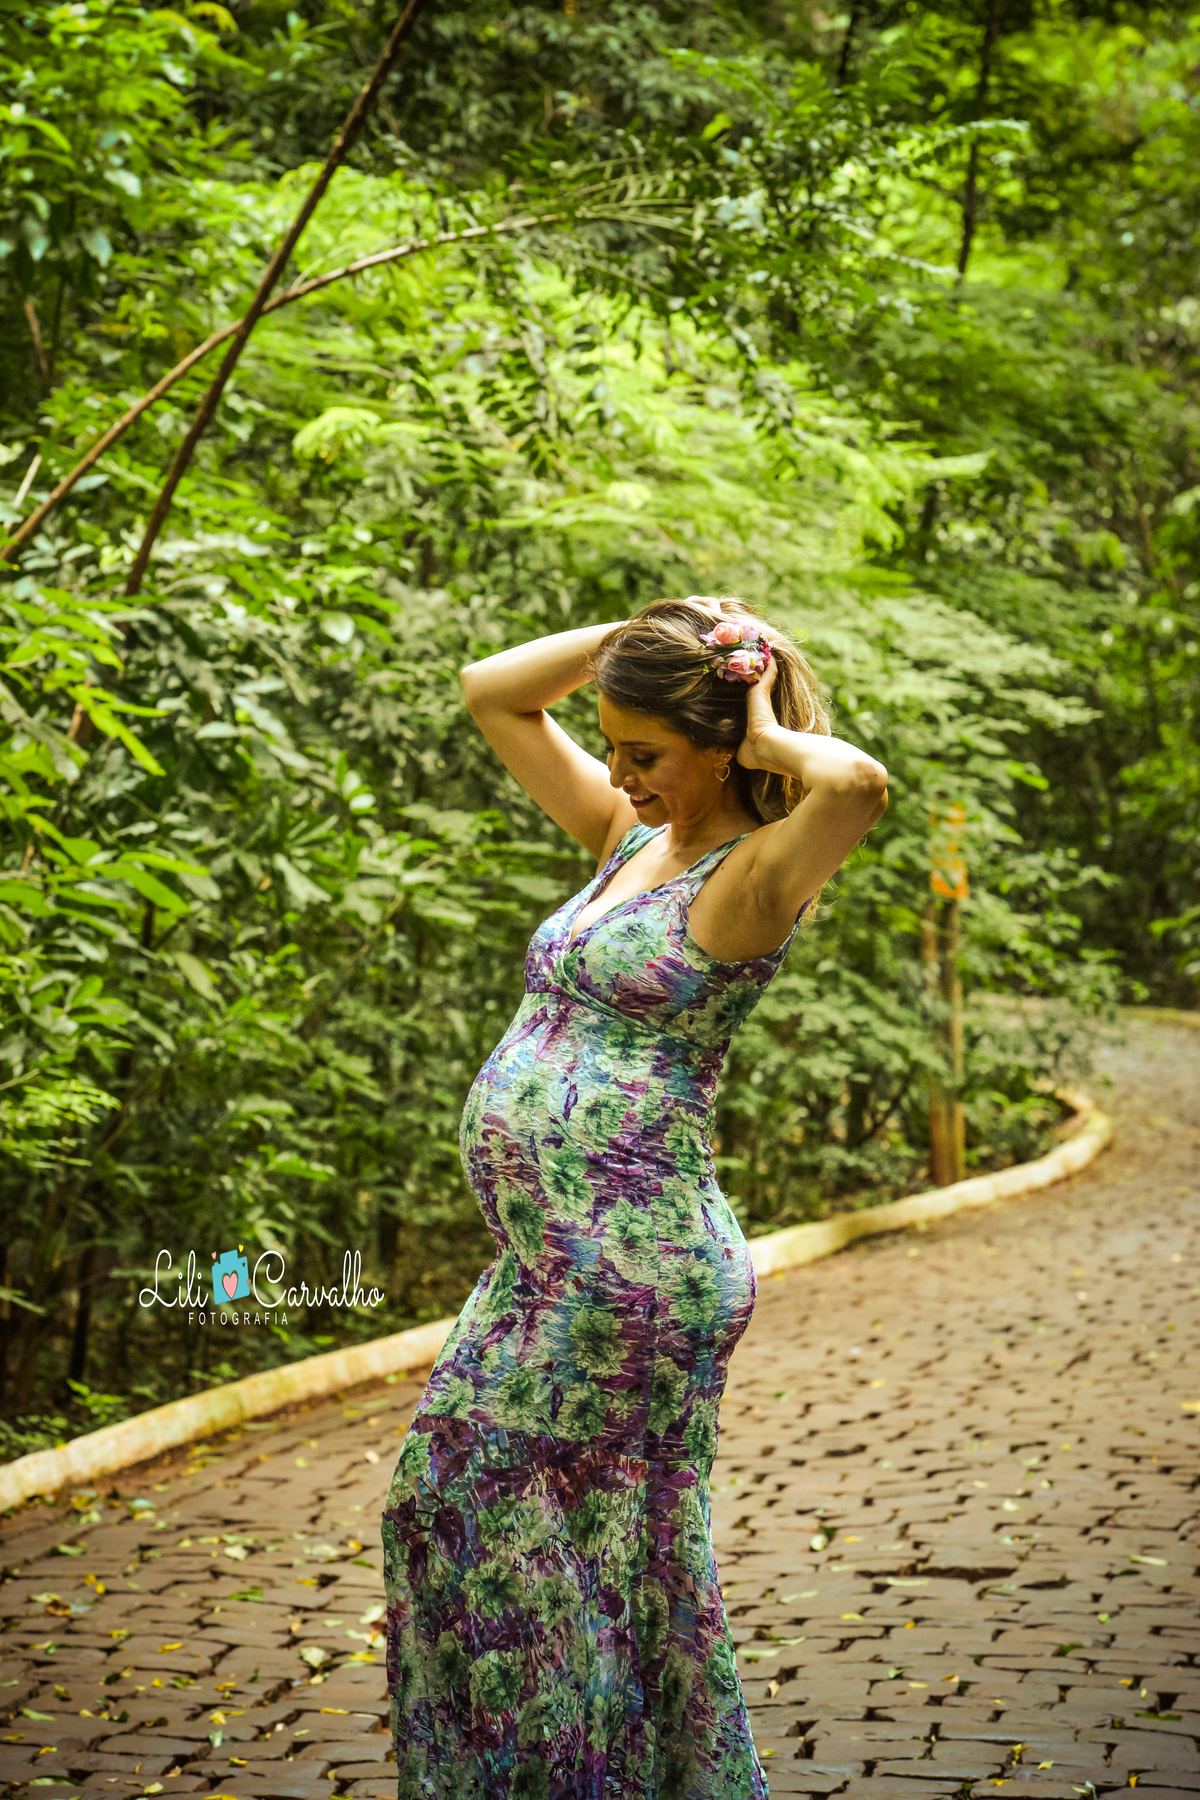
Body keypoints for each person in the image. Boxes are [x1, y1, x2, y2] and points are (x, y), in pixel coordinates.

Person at [381, 596, 888, 1799]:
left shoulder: (753, 877)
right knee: (525, 1533)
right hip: (544, 1269)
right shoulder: (625, 833)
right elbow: (491, 687)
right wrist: (652, 628)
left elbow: (858, 785)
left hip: (635, 1272)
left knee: (479, 1513)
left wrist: (766, 727)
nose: (617, 769)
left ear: (726, 745)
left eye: (646, 750)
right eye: (610, 742)